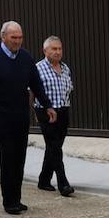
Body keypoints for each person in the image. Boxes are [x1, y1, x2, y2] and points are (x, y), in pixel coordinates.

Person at [0, 21, 56, 214]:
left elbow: (36, 84)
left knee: (19, 157)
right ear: (3, 37)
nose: (17, 41)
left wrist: (47, 105)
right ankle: (8, 201)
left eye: (20, 38)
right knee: (8, 155)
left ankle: (16, 198)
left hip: (20, 115)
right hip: (0, 116)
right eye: (13, 38)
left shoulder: (25, 57)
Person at [35, 36, 75, 196]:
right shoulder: (38, 68)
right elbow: (31, 92)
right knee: (55, 147)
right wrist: (33, 113)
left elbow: (69, 90)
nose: (58, 52)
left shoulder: (65, 68)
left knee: (53, 147)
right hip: (45, 111)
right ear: (45, 51)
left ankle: (44, 180)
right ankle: (63, 183)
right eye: (54, 49)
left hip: (63, 110)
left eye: (59, 49)